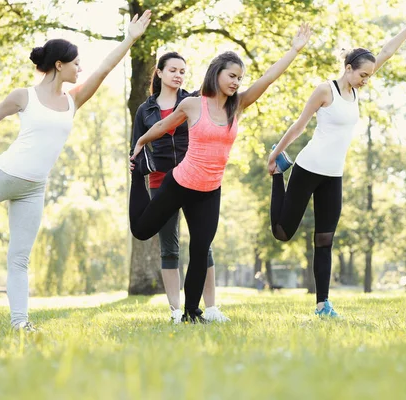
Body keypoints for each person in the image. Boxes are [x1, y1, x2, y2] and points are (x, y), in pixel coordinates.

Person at [0, 11, 151, 332]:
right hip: (2, 175)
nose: (81, 68)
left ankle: (20, 323)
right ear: (60, 65)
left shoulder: (73, 100)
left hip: (34, 188)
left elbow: (105, 69)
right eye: (76, 63)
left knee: (19, 258)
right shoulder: (24, 96)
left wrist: (129, 39)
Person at [130, 23, 311, 323]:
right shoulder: (191, 103)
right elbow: (163, 126)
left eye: (240, 78)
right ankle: (138, 180)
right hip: (180, 182)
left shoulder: (237, 105)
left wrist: (293, 50)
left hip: (210, 190)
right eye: (232, 76)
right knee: (142, 230)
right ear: (217, 73)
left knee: (201, 250)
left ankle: (191, 312)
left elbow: (267, 78)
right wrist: (140, 141)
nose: (236, 82)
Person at [267, 1, 406, 317]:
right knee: (282, 233)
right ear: (348, 69)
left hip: (333, 175)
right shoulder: (324, 90)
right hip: (307, 167)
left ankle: (323, 304)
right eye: (362, 74)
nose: (367, 79)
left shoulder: (357, 90)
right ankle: (279, 175)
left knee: (325, 240)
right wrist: (275, 156)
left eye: (369, 75)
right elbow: (300, 125)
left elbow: (386, 52)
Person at [131, 52, 228, 323]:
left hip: (193, 179)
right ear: (159, 72)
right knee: (169, 248)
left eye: (183, 71)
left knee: (203, 245)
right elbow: (137, 147)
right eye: (173, 70)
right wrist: (137, 174)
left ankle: (210, 308)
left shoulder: (195, 102)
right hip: (161, 182)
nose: (178, 75)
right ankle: (175, 310)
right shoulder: (145, 110)